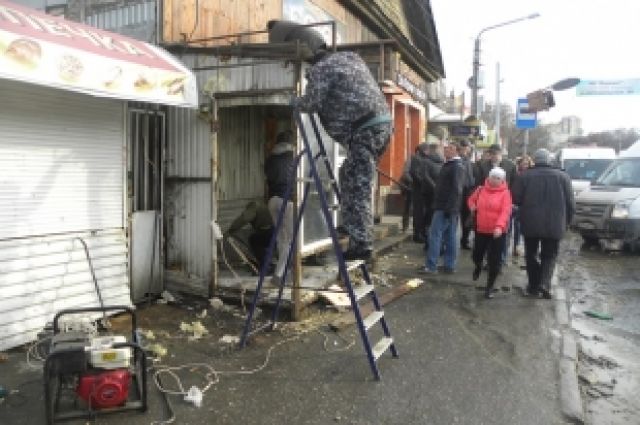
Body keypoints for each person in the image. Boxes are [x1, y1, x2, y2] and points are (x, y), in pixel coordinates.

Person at [288, 25, 393, 261]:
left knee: (358, 188)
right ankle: (350, 225)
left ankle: (362, 245)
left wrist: (292, 101)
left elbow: (311, 104)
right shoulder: (350, 58)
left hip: (363, 131)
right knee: (349, 175)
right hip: (381, 126)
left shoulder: (321, 70)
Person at [512, 149, 575, 299]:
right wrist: (567, 222)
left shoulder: (525, 176)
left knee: (531, 254)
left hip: (530, 222)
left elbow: (516, 199)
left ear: (535, 160)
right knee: (550, 255)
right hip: (554, 223)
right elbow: (571, 204)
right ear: (549, 160)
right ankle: (545, 284)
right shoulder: (563, 177)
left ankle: (533, 286)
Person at [467, 167, 512, 299]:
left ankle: (490, 287)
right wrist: (472, 206)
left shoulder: (506, 193)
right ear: (489, 177)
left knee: (494, 261)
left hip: (497, 232)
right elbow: (470, 200)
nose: (495, 180)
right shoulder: (481, 189)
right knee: (476, 254)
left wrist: (499, 226)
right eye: (493, 177)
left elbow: (506, 211)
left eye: (498, 178)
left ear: (502, 180)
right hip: (481, 229)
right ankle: (478, 266)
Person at [422, 140, 465, 274]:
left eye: (450, 148)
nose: (447, 150)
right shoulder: (450, 165)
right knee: (450, 236)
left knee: (435, 235)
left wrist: (449, 208)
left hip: (445, 207)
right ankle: (449, 265)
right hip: (448, 207)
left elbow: (456, 189)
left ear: (457, 151)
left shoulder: (456, 166)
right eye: (446, 148)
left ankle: (431, 265)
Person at [265, 130, 295, 285]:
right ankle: (280, 275)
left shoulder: (270, 159)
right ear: (291, 143)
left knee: (280, 238)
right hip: (287, 201)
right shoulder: (294, 158)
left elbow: (269, 178)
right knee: (289, 239)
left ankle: (283, 272)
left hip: (272, 201)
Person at [227, 201, 275, 272]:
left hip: (267, 232)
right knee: (258, 242)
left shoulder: (254, 207)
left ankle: (264, 266)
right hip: (272, 230)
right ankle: (266, 264)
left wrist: (232, 228)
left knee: (254, 241)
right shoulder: (262, 205)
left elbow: (244, 218)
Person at [409, 143, 439, 243]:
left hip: (424, 191)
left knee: (423, 212)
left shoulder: (425, 159)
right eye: (427, 150)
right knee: (418, 212)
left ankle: (421, 232)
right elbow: (415, 173)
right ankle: (417, 234)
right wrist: (423, 181)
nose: (428, 152)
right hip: (418, 190)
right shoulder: (417, 159)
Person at [512, 155, 533, 257]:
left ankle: (525, 248)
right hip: (517, 204)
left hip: (527, 204)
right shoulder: (516, 174)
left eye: (527, 164)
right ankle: (516, 247)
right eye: (523, 163)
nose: (525, 165)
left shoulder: (532, 175)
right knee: (517, 227)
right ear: (519, 164)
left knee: (526, 227)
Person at [458, 139, 477, 250]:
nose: (466, 150)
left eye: (468, 148)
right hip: (459, 192)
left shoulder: (470, 161)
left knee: (467, 218)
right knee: (455, 218)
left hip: (468, 193)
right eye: (464, 148)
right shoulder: (459, 160)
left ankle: (464, 239)